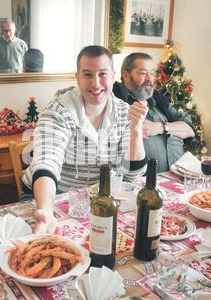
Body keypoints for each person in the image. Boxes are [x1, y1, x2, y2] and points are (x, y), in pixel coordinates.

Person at [21, 45, 148, 234]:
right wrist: (46, 209)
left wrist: (136, 130)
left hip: (100, 203)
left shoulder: (123, 111)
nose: (96, 84)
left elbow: (131, 176)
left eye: (102, 74)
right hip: (54, 198)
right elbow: (47, 162)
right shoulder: (58, 110)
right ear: (77, 77)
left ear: (113, 76)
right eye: (88, 75)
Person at [113, 53, 195, 173]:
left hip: (177, 179)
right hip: (140, 185)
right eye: (143, 73)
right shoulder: (115, 102)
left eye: (151, 73)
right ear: (126, 75)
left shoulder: (159, 101)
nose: (149, 79)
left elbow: (190, 130)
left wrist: (160, 127)